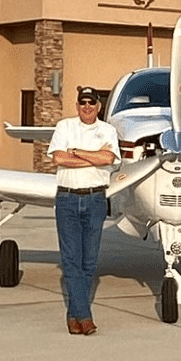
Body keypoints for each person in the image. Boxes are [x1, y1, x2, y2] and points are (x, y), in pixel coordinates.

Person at [47, 86, 119, 335]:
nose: (87, 107)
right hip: (67, 199)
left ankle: (73, 317)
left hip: (95, 199)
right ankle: (85, 316)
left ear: (98, 106)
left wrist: (75, 152)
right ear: (77, 105)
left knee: (88, 261)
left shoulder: (107, 130)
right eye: (82, 102)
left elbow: (108, 159)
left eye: (91, 102)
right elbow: (58, 159)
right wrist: (93, 157)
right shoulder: (64, 126)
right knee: (70, 260)